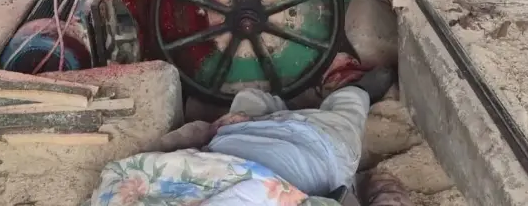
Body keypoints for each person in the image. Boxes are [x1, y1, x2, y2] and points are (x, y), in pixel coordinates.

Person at [88, 62, 415, 205]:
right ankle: (356, 93)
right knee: (347, 114)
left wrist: (207, 131)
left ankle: (289, 104)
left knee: (251, 99)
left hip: (236, 136)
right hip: (317, 145)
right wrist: (380, 184)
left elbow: (144, 166)